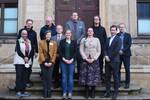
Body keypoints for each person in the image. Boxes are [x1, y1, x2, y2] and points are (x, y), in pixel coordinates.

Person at [79, 28, 101, 99]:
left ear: (93, 32)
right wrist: (85, 58)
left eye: (91, 31)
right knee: (86, 76)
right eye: (88, 31)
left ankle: (93, 91)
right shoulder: (83, 39)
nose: (90, 32)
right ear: (87, 32)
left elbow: (99, 50)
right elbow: (81, 49)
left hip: (94, 60)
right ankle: (86, 91)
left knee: (94, 76)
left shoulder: (97, 39)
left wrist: (94, 58)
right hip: (85, 60)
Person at [17, 19, 38, 88]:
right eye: (28, 23)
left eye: (30, 23)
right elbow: (18, 41)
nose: (29, 24)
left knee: (29, 67)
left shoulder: (34, 33)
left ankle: (27, 81)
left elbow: (35, 42)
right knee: (21, 68)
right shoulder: (21, 31)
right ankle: (21, 82)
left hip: (30, 53)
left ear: (32, 25)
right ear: (26, 24)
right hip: (22, 53)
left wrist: (36, 52)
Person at [14, 30, 34, 97]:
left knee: (25, 77)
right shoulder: (18, 41)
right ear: (21, 34)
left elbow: (32, 51)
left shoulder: (29, 41)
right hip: (19, 61)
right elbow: (18, 50)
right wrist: (24, 57)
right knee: (19, 76)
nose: (24, 35)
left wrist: (28, 57)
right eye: (23, 34)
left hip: (27, 61)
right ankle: (18, 91)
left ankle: (23, 91)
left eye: (25, 34)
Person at [65, 12, 85, 79]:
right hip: (71, 45)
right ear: (71, 16)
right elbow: (67, 33)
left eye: (76, 15)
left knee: (80, 61)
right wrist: (73, 42)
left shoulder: (81, 23)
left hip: (79, 45)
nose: (75, 16)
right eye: (73, 15)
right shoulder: (68, 23)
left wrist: (78, 41)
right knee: (72, 60)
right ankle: (72, 75)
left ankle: (79, 76)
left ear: (77, 16)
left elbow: (83, 34)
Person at [104, 25, 121, 99]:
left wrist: (109, 57)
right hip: (107, 61)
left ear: (116, 31)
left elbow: (117, 50)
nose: (112, 31)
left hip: (115, 61)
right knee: (107, 77)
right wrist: (105, 55)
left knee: (115, 77)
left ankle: (115, 93)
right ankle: (108, 92)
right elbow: (104, 48)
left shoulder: (119, 39)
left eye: (114, 30)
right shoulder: (107, 39)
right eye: (111, 30)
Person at [38, 31, 57, 98]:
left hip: (51, 61)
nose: (48, 36)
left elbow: (55, 53)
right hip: (43, 62)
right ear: (45, 35)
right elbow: (40, 53)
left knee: (49, 77)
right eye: (47, 34)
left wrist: (51, 62)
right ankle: (45, 92)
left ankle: (49, 92)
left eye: (49, 35)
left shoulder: (54, 42)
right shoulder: (41, 42)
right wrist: (44, 62)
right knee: (44, 77)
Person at [59, 30, 77, 99]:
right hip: (63, 62)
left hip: (71, 62)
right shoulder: (62, 42)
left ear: (71, 34)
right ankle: (64, 92)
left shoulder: (74, 42)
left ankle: (69, 93)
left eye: (69, 33)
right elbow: (60, 52)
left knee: (70, 78)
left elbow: (76, 52)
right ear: (65, 34)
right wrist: (64, 59)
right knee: (64, 77)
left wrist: (72, 59)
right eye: (66, 33)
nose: (68, 34)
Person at [92, 16, 107, 82]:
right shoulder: (91, 29)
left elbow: (105, 40)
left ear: (99, 20)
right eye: (95, 19)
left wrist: (104, 50)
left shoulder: (103, 29)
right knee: (93, 63)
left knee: (100, 63)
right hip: (93, 50)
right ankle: (93, 76)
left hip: (100, 50)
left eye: (97, 19)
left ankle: (100, 76)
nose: (96, 20)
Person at [118, 23, 132, 89]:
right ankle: (118, 83)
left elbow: (129, 45)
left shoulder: (128, 35)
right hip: (118, 55)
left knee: (127, 69)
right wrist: (118, 50)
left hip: (126, 54)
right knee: (118, 69)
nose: (121, 28)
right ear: (119, 28)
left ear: (124, 28)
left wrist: (122, 50)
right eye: (120, 27)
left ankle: (127, 83)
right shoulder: (117, 35)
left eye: (122, 27)